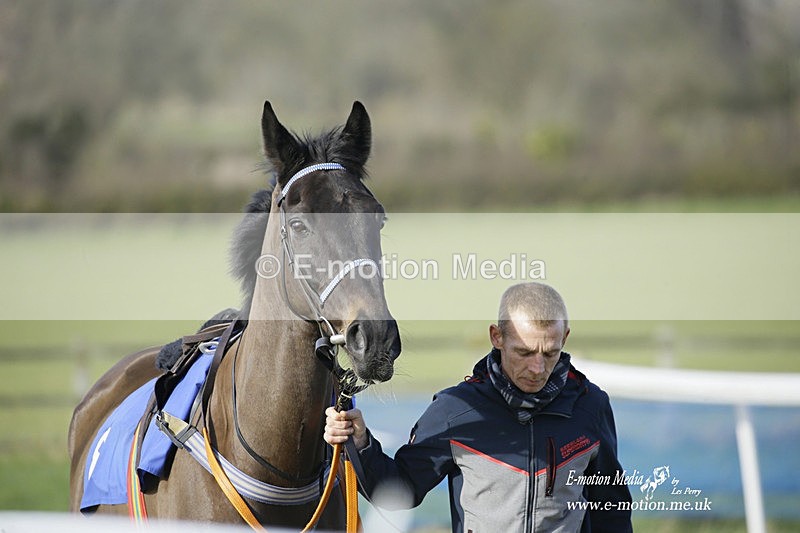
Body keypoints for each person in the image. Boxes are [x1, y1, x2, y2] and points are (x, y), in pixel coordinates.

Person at [324, 282, 632, 533]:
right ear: (496, 337)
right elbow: (398, 491)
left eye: (550, 353)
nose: (538, 368)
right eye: (524, 352)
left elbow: (611, 509)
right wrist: (359, 441)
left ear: (564, 337)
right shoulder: (455, 410)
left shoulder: (591, 405)